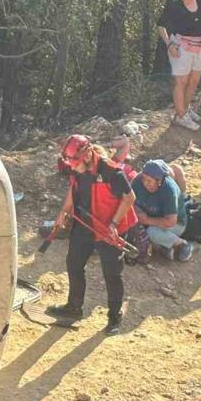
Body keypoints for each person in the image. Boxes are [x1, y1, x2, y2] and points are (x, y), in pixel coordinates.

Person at [46, 135, 137, 335]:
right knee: (74, 264)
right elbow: (73, 188)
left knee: (112, 273)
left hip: (107, 228)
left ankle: (114, 316)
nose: (73, 168)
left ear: (87, 156)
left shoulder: (111, 171)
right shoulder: (79, 169)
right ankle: (74, 307)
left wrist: (114, 223)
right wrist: (63, 212)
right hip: (85, 224)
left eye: (75, 164)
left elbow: (129, 198)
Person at [157, 0, 201, 130]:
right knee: (180, 82)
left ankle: (185, 109)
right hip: (180, 46)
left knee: (194, 80)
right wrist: (169, 45)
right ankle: (181, 116)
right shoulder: (175, 6)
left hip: (199, 45)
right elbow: (161, 26)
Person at [130, 160, 193, 262]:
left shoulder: (169, 190)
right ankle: (164, 247)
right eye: (144, 179)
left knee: (151, 232)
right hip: (149, 216)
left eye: (149, 181)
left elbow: (170, 221)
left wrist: (146, 220)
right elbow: (129, 198)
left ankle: (181, 244)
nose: (145, 184)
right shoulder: (138, 180)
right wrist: (137, 210)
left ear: (159, 181)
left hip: (174, 224)